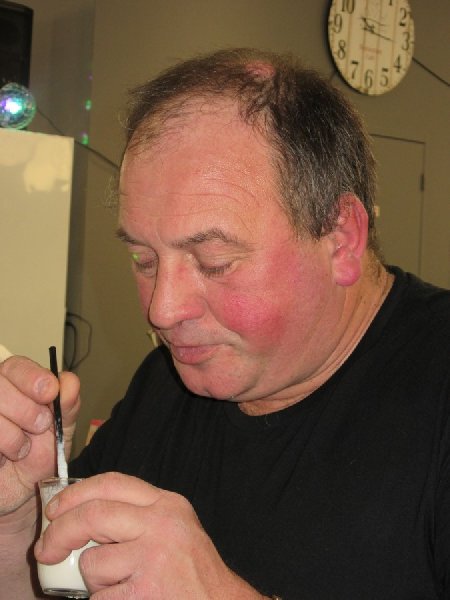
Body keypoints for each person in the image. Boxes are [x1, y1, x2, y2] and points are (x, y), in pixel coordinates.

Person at [0, 48, 449, 599]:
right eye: (143, 259)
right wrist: (18, 519)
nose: (162, 311)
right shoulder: (168, 383)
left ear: (341, 238)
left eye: (214, 261)